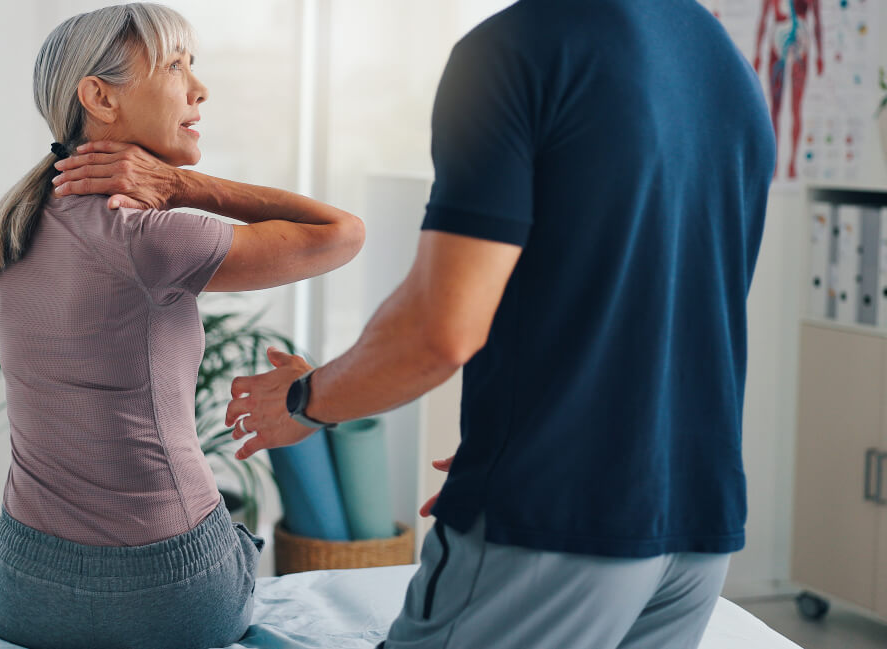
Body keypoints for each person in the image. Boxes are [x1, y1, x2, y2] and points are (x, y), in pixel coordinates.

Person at [220, 0, 774, 648]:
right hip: (697, 523)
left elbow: (439, 329)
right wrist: (519, 430)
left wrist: (304, 401)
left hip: (560, 518)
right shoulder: (727, 65)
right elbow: (659, 303)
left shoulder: (513, 49)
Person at [0, 4, 364, 649]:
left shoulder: (19, 219)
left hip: (27, 588)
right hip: (167, 595)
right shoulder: (148, 233)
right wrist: (187, 186)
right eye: (176, 65)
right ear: (100, 97)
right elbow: (343, 234)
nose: (198, 87)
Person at [753, 0, 823, 179]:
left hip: (800, 43)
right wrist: (758, 54)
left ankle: (792, 163)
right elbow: (763, 19)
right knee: (775, 109)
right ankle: (774, 163)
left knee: (796, 107)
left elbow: (817, 21)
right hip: (779, 42)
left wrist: (820, 55)